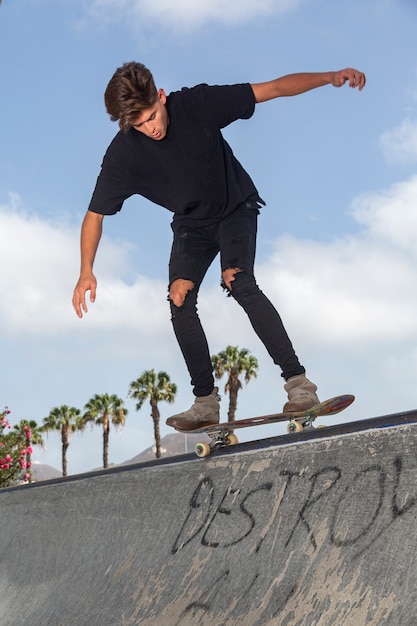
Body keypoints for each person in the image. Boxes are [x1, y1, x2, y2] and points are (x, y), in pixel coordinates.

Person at [72, 62, 366, 431]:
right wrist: (86, 270)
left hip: (234, 207)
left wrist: (328, 77)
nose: (152, 128)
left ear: (161, 97)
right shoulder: (123, 155)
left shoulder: (197, 104)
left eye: (152, 116)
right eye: (140, 124)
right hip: (191, 225)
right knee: (179, 298)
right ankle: (205, 402)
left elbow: (271, 87)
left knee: (237, 280)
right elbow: (94, 215)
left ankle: (299, 385)